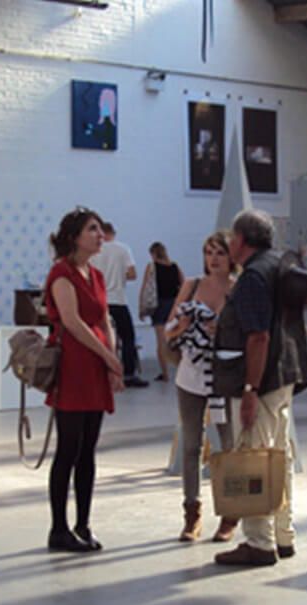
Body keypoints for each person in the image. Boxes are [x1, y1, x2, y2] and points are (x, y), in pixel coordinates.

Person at [213, 210, 307, 567]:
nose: (229, 244)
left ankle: (259, 542)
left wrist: (250, 389)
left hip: (263, 379)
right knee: (278, 457)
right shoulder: (282, 262)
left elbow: (257, 336)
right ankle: (284, 536)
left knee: (254, 458)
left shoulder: (253, 276)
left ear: (242, 240)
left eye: (233, 238)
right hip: (285, 373)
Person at [43, 207, 125, 553]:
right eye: (92, 230)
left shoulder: (96, 275)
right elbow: (73, 323)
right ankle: (59, 528)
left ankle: (83, 523)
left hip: (94, 365)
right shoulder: (61, 274)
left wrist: (112, 359)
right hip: (74, 366)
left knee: (88, 451)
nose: (100, 236)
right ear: (75, 236)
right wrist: (107, 356)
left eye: (100, 230)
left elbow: (104, 318)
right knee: (69, 449)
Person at [164, 231, 236, 542]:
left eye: (219, 252)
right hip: (191, 375)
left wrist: (223, 328)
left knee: (228, 446)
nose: (214, 258)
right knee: (191, 445)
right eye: (209, 252)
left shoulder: (238, 289)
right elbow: (170, 329)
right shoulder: (192, 285)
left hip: (225, 376)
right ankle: (191, 513)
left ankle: (230, 514)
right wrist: (184, 326)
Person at [93, 221, 146, 387]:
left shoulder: (95, 251)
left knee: (101, 338)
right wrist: (119, 276)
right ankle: (128, 373)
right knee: (128, 338)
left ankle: (102, 372)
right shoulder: (123, 249)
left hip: (100, 300)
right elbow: (132, 274)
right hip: (118, 299)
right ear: (113, 233)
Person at [142, 242, 184, 382]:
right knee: (176, 339)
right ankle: (181, 371)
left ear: (153, 254)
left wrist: (142, 307)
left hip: (159, 304)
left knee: (161, 341)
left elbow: (145, 287)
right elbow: (183, 285)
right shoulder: (175, 266)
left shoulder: (151, 267)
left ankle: (165, 373)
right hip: (173, 304)